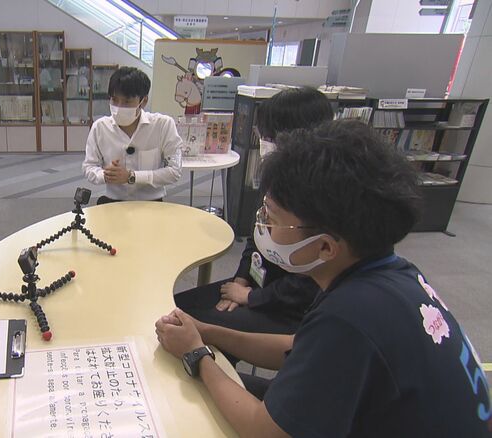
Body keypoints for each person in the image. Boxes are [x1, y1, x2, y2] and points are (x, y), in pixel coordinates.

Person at [156, 120, 492, 437]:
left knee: (195, 399)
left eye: (272, 218)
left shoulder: (350, 316)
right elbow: (297, 348)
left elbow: (267, 431)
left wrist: (196, 354)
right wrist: (208, 333)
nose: (262, 225)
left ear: (326, 247)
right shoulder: (392, 273)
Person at [175, 88, 334, 355]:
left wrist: (251, 297)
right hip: (260, 286)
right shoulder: (280, 179)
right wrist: (241, 280)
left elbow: (308, 284)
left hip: (288, 308)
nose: (264, 144)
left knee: (190, 322)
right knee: (178, 308)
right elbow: (257, 238)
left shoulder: (322, 197)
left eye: (270, 137)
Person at [82, 66, 182, 204]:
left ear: (143, 101)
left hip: (151, 202)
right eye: (114, 100)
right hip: (113, 202)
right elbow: (88, 166)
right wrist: (105, 175)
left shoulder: (163, 125)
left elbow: (175, 170)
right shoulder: (100, 127)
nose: (119, 106)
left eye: (127, 101)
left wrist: (132, 176)